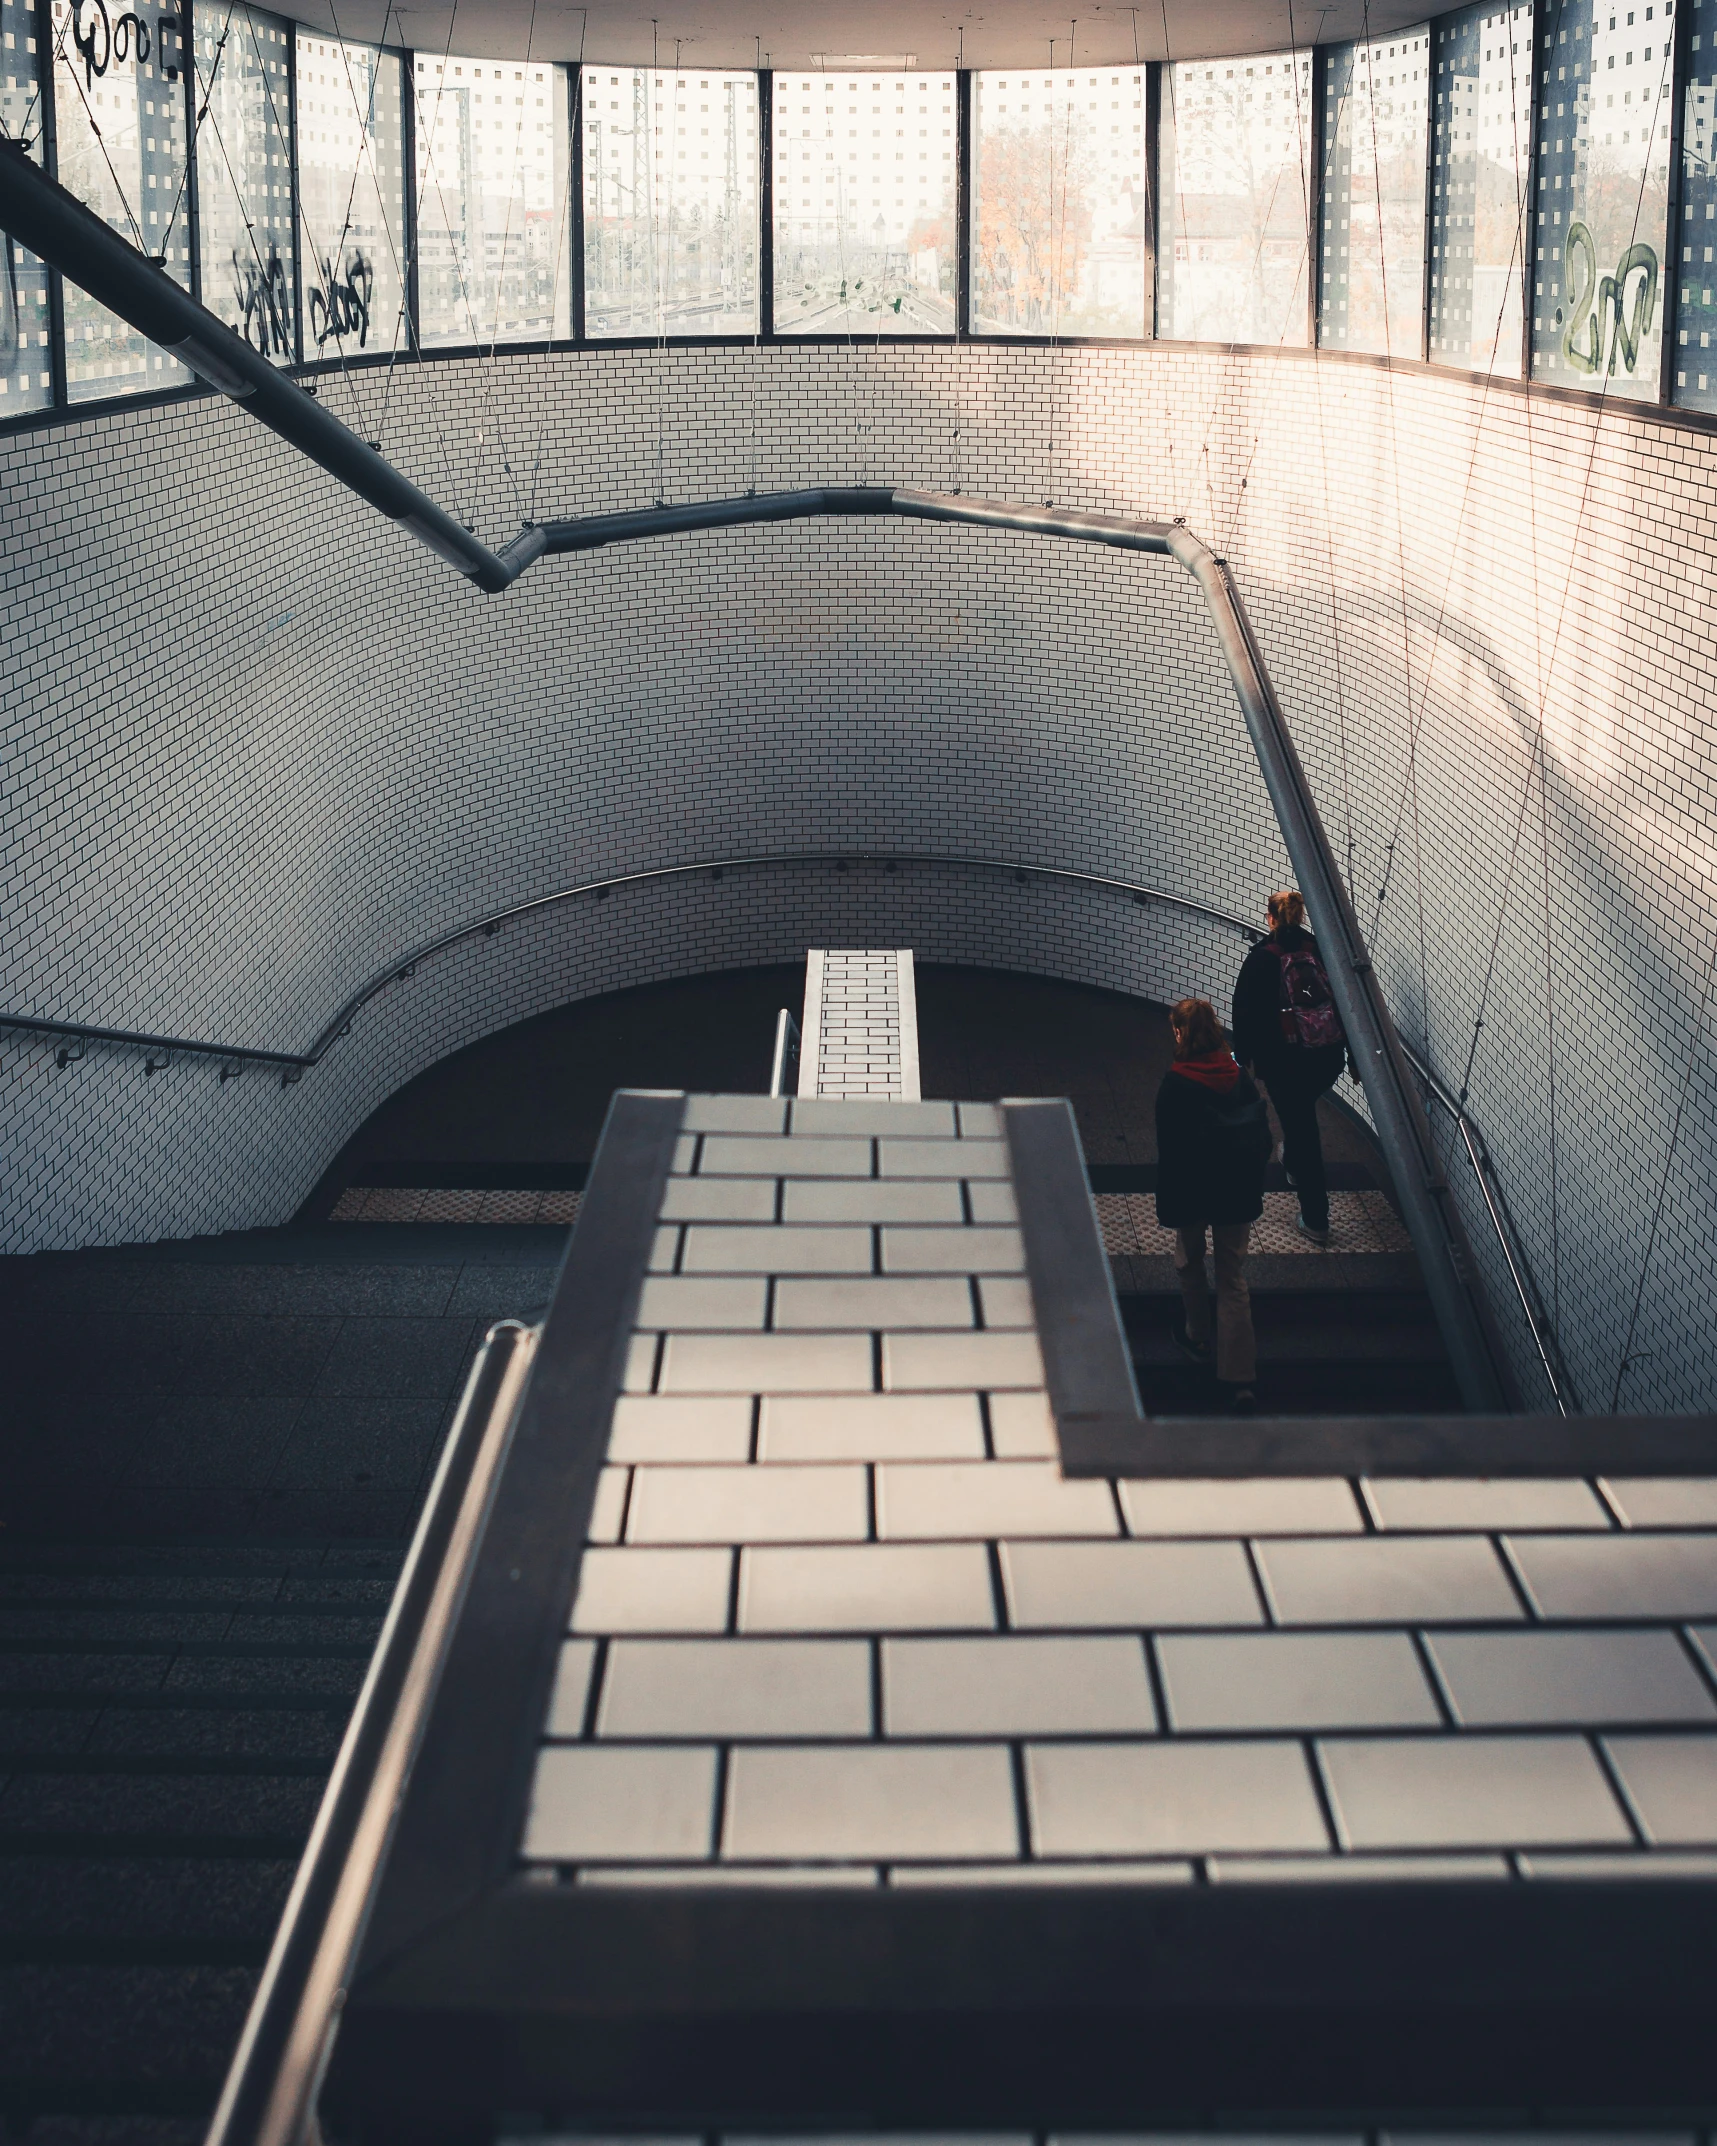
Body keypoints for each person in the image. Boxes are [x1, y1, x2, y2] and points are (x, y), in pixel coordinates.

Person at [1154, 997, 1273, 1411]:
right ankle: (1240, 1377)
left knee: (1189, 1261)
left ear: (1181, 1033)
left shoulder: (1176, 1083)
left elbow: (1168, 1151)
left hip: (1192, 1191)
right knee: (1232, 1276)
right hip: (1236, 1191)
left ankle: (1198, 1335)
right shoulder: (1238, 1077)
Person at [1231, 889, 1350, 1245]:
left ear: (1270, 917)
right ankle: (1295, 1164)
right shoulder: (1319, 950)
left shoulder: (1263, 959)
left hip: (1284, 1064)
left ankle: (1315, 1219)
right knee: (1300, 1117)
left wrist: (1245, 1058)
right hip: (1326, 1058)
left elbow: (1245, 1013)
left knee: (1303, 1131)